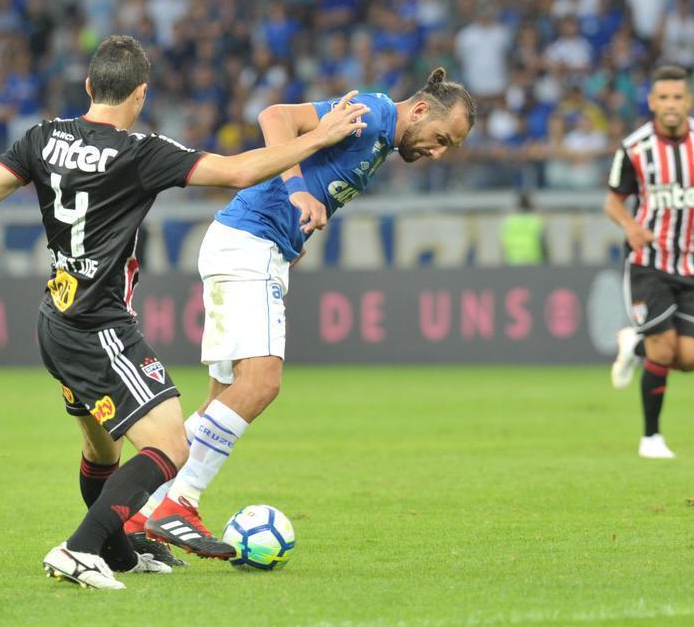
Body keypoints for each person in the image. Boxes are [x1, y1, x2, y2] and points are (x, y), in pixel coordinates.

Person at [0, 35, 370, 590]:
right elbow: (236, 172)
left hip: (55, 318)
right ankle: (80, 548)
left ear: (88, 87)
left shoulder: (41, 138)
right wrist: (319, 138)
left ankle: (122, 552)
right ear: (140, 93)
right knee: (171, 445)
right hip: (98, 323)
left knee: (101, 449)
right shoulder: (140, 152)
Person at [133, 68, 476, 559]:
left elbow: (320, 166)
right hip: (249, 242)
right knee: (261, 384)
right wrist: (295, 191)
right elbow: (275, 117)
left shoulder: (379, 142)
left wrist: (298, 230)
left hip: (255, 245)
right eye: (442, 139)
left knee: (224, 399)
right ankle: (181, 503)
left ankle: (138, 514)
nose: (438, 152)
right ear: (420, 110)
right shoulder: (376, 113)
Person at [606, 65, 694, 459]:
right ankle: (651, 438)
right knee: (663, 348)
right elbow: (613, 200)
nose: (670, 105)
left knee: (693, 359)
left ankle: (634, 342)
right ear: (651, 102)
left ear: (688, 102)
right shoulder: (635, 147)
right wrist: (629, 226)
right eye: (663, 98)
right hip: (649, 261)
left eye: (677, 98)